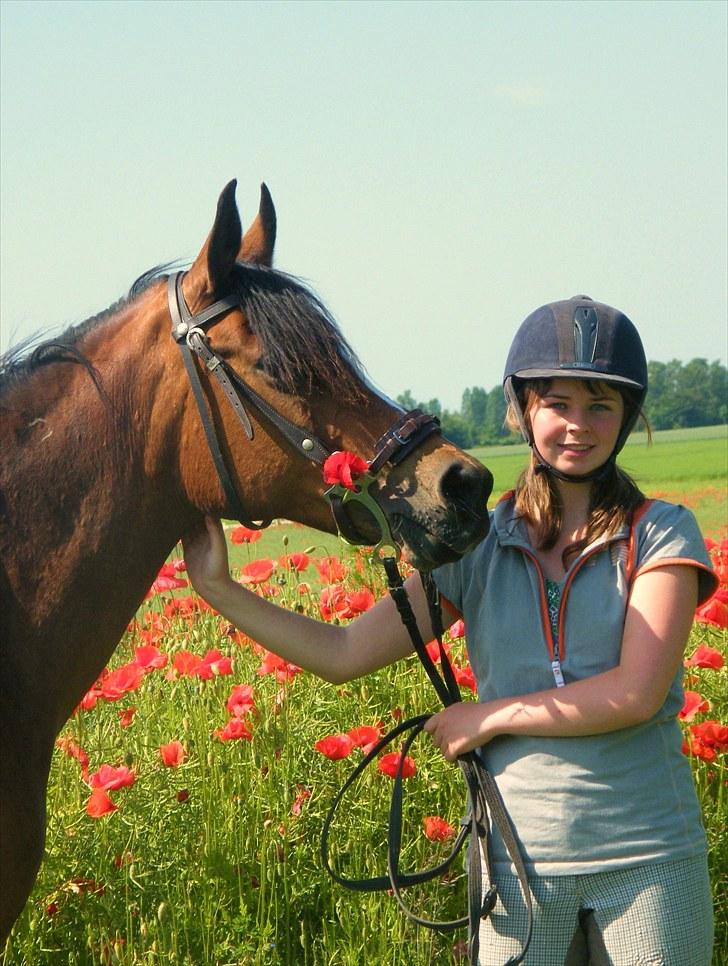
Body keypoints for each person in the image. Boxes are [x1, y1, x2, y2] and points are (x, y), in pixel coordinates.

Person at [182, 295, 717, 965]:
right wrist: (219, 589)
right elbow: (345, 652)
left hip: (649, 859)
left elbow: (637, 692)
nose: (578, 425)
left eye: (601, 405)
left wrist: (487, 717)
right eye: (558, 403)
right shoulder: (478, 543)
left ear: (628, 417)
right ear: (522, 410)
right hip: (521, 866)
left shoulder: (660, 531)